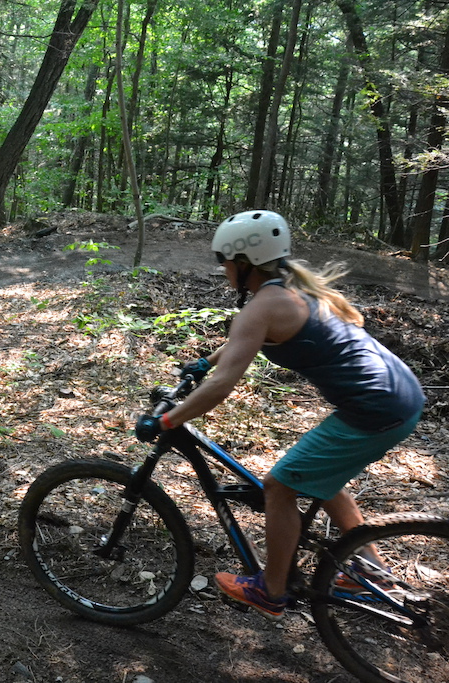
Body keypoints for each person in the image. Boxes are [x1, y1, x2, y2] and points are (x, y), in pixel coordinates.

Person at [134, 209, 425, 620]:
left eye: (224, 263)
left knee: (279, 486)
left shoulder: (261, 307)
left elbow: (221, 386)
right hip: (401, 395)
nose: (223, 271)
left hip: (374, 407)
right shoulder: (290, 289)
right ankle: (370, 569)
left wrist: (167, 420)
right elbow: (248, 340)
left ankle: (271, 591)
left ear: (243, 263)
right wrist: (206, 361)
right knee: (322, 479)